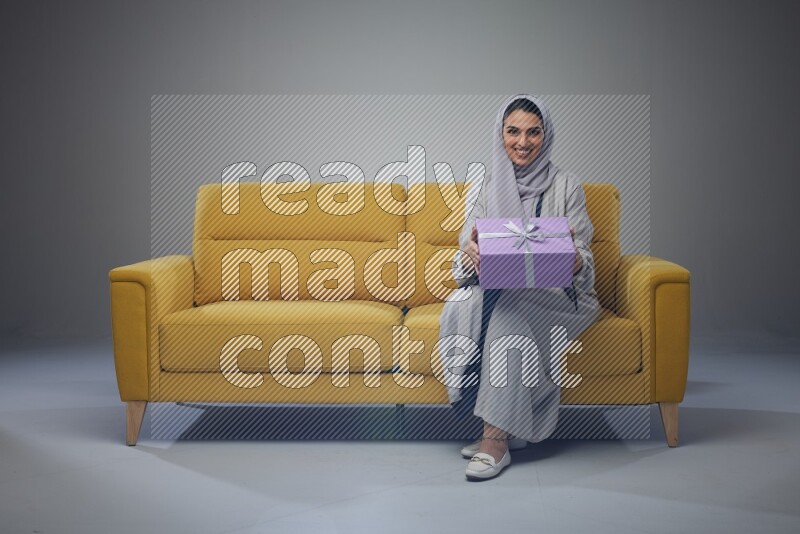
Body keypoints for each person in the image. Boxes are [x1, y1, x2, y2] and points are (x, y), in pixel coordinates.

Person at [438, 95, 601, 481]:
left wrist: (569, 254)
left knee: (505, 315)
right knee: (465, 302)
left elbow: (584, 261)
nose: (523, 142)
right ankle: (510, 425)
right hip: (504, 292)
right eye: (513, 131)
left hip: (558, 298)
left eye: (533, 132)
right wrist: (471, 252)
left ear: (546, 135)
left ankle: (493, 440)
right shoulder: (486, 187)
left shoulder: (566, 185)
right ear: (501, 134)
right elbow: (465, 253)